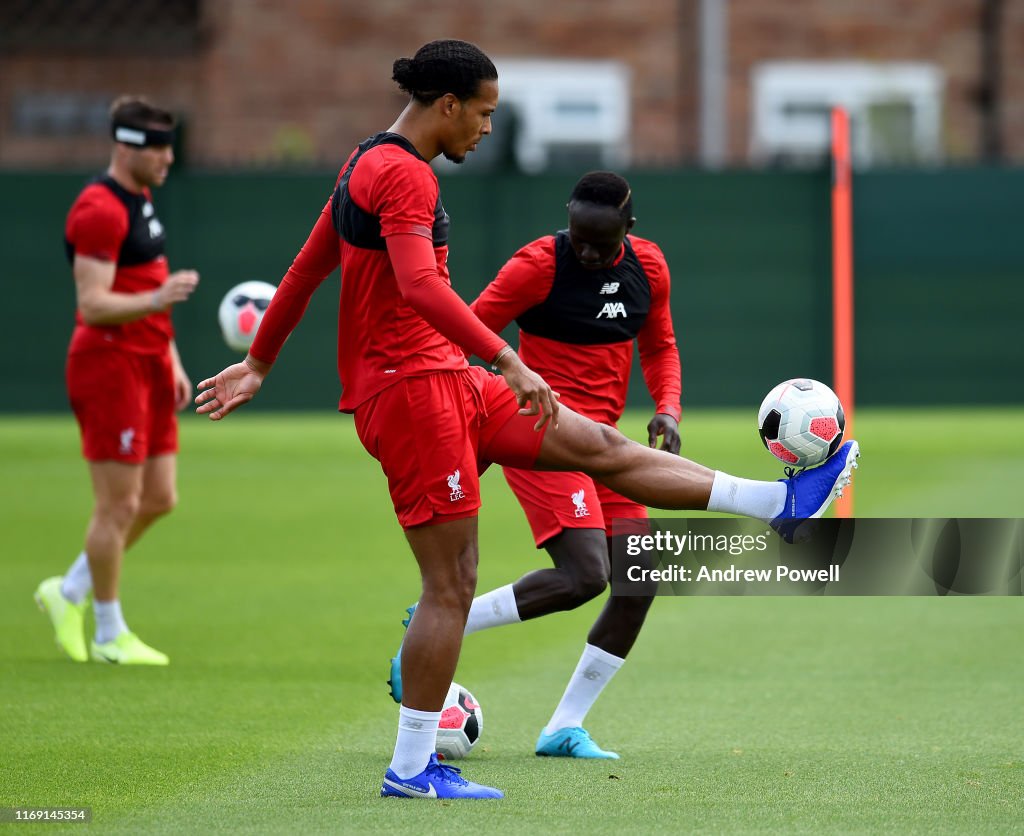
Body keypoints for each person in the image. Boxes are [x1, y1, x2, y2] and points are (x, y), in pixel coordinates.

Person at [194, 40, 859, 800]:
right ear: (447, 105)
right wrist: (507, 360)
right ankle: (412, 768)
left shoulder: (363, 163)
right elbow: (417, 287)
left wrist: (260, 363)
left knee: (601, 446)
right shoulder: (403, 175)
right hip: (414, 394)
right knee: (452, 586)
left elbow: (311, 266)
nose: (485, 128)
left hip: (448, 381)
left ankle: (782, 502)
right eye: (482, 113)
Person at [387, 171, 682, 760]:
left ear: (630, 229)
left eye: (602, 244)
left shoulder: (649, 268)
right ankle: (445, 620)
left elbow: (660, 344)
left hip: (608, 448)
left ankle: (563, 728)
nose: (589, 252)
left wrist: (668, 408)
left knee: (639, 581)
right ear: (567, 220)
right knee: (585, 575)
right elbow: (463, 331)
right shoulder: (538, 265)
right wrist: (472, 425)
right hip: (543, 434)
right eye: (579, 238)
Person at [34, 96, 199, 666]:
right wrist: (158, 299)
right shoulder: (98, 208)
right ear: (126, 147)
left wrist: (171, 357)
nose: (168, 157)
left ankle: (69, 590)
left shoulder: (141, 199)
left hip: (149, 362)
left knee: (160, 497)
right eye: (157, 147)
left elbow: (146, 278)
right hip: (109, 364)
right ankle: (108, 631)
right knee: (118, 506)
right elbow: (93, 303)